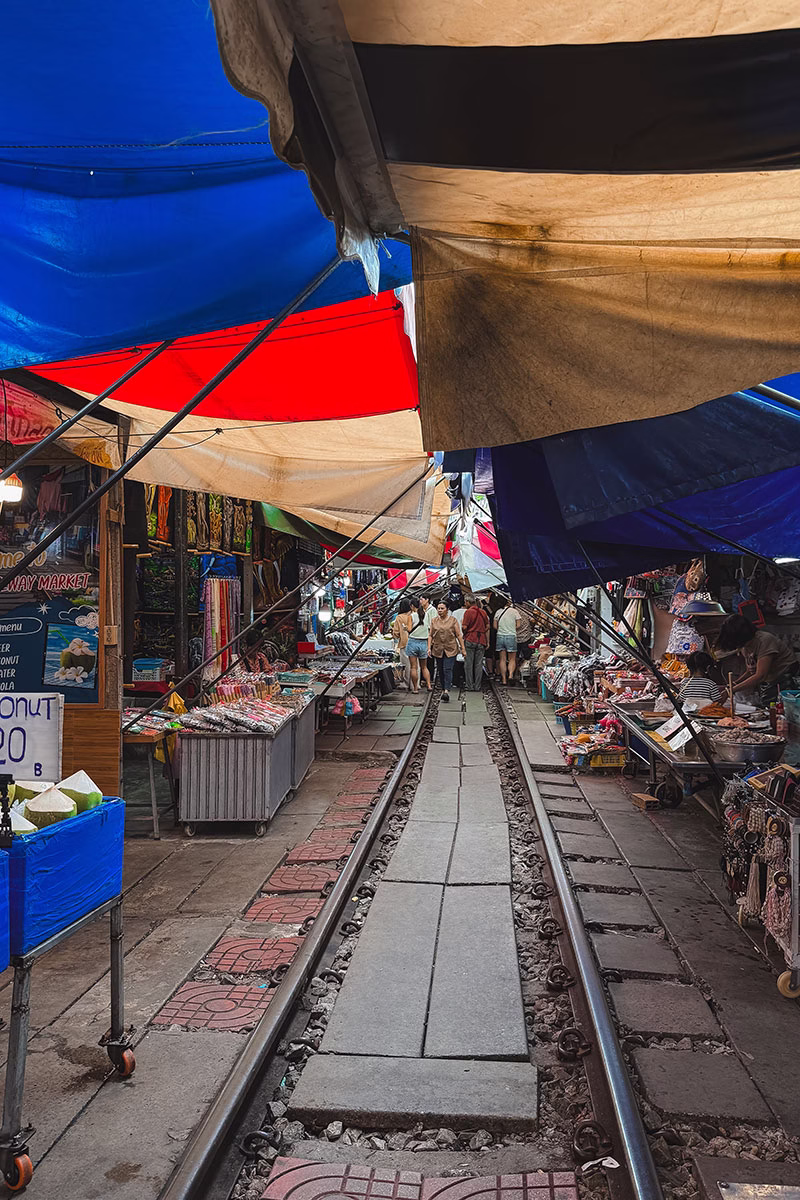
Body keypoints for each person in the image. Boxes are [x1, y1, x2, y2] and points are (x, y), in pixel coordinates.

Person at [716, 614, 799, 702]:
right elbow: (750, 671)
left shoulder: (764, 641)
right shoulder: (744, 646)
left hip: (786, 678)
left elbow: (760, 675)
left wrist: (731, 691)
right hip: (770, 681)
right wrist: (733, 684)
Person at [430, 599, 466, 702]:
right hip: (438, 649)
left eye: (442, 608)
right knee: (440, 670)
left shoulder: (453, 620)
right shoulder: (434, 621)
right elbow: (430, 635)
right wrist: (429, 648)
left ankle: (446, 690)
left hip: (451, 648)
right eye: (438, 609)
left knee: (447, 669)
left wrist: (463, 648)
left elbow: (458, 635)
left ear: (447, 609)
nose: (440, 610)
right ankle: (443, 688)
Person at [462, 597, 490, 690]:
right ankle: (477, 686)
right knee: (479, 664)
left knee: (468, 664)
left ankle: (469, 685)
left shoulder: (468, 612)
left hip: (470, 638)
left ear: (468, 602)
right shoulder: (483, 612)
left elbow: (464, 627)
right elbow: (487, 626)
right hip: (481, 640)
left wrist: (466, 632)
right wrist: (482, 631)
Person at [405, 598, 432, 694]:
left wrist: (405, 627)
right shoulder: (427, 615)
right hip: (423, 642)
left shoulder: (411, 616)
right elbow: (429, 629)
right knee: (424, 667)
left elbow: (409, 629)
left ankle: (415, 688)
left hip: (413, 642)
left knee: (414, 667)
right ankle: (429, 685)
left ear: (412, 606)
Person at [494, 600, 522, 685]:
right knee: (512, 659)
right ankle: (510, 675)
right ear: (508, 602)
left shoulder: (498, 612)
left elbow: (495, 626)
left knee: (502, 659)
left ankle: (504, 680)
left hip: (500, 636)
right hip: (511, 636)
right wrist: (511, 628)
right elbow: (519, 625)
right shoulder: (515, 612)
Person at [391, 598, 414, 689]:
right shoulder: (414, 615)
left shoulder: (399, 617)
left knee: (406, 664)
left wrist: (394, 633)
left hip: (404, 642)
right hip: (415, 641)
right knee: (415, 665)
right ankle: (415, 685)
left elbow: (396, 633)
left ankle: (406, 683)